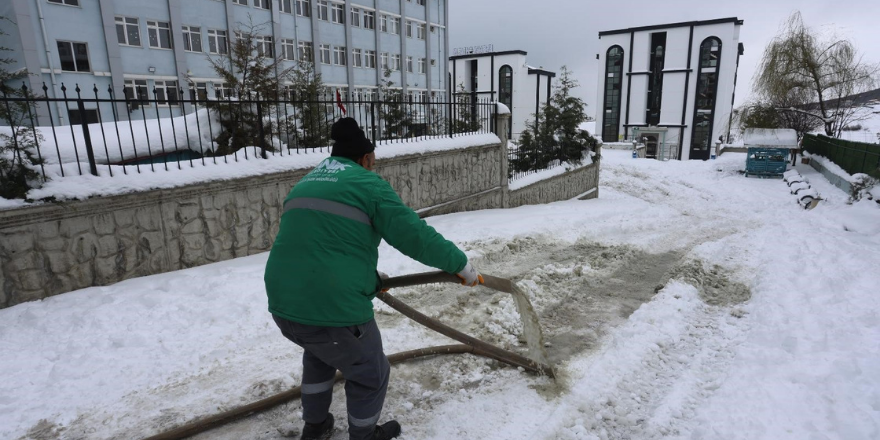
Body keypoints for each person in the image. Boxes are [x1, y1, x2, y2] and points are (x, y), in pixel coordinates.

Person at [264, 117, 483, 440]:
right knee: (370, 372)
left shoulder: (306, 182)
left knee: (321, 353)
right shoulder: (368, 184)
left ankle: (316, 426)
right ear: (365, 159)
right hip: (332, 305)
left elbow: (322, 244)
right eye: (373, 163)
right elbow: (413, 235)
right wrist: (460, 264)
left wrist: (368, 276)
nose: (373, 168)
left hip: (284, 303)